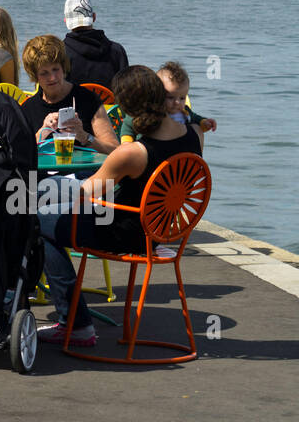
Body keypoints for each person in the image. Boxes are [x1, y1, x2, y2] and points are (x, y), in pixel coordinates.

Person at [36, 65, 204, 347]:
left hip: (124, 233)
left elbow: (82, 193)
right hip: (159, 232)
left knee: (36, 219)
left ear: (127, 109)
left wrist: (39, 192)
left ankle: (75, 325)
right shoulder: (194, 134)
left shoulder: (132, 153)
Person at [19, 34, 119, 154]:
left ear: (63, 67)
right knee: (30, 173)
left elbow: (114, 150)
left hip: (83, 172)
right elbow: (20, 154)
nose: (52, 78)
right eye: (44, 73)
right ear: (35, 75)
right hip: (39, 173)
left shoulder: (88, 99)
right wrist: (43, 131)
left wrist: (84, 136)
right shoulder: (28, 108)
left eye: (56, 69)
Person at [120, 61, 216, 141]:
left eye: (182, 98)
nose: (177, 102)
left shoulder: (185, 113)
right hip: (151, 154)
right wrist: (127, 142)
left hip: (177, 155)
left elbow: (195, 119)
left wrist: (204, 123)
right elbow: (128, 126)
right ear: (156, 92)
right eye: (170, 97)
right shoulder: (147, 113)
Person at [61, 0, 129, 89]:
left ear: (65, 21)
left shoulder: (59, 52)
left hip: (72, 103)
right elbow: (125, 89)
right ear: (94, 17)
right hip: (110, 104)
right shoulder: (117, 51)